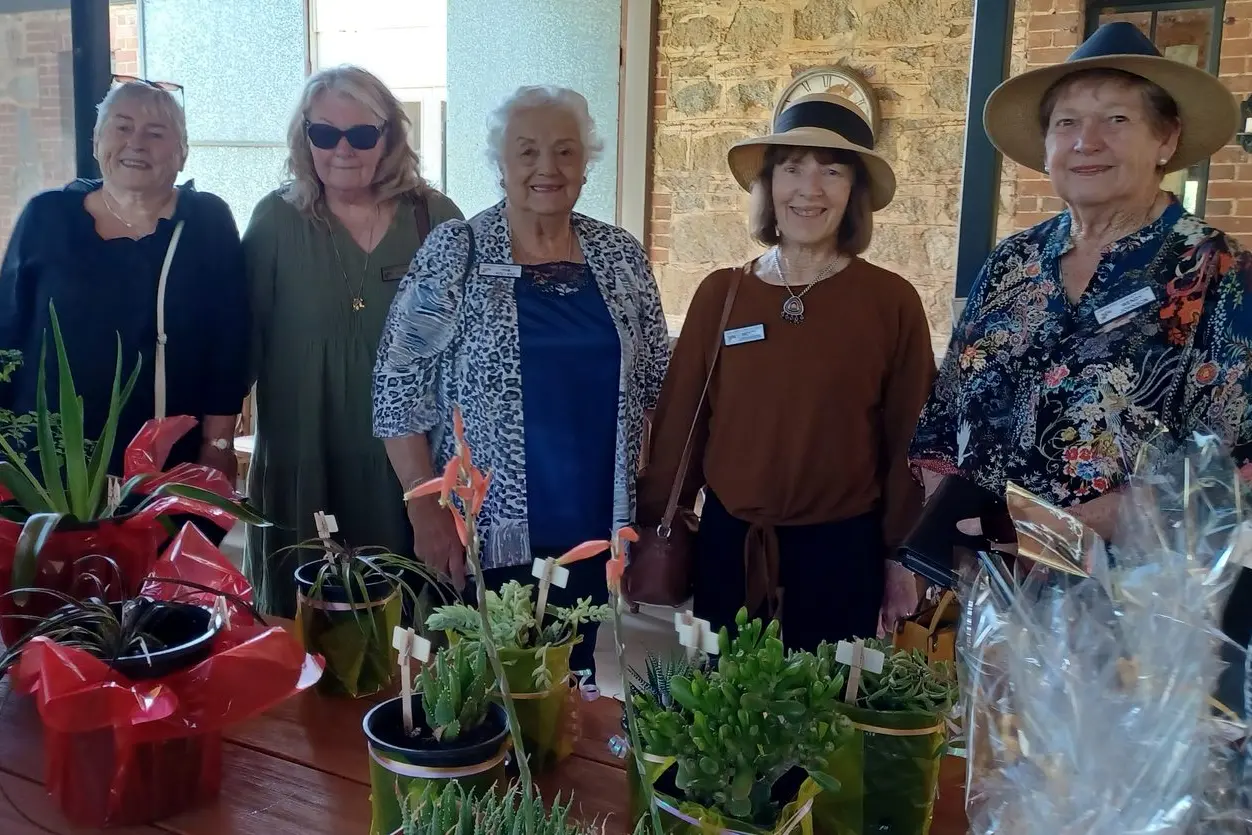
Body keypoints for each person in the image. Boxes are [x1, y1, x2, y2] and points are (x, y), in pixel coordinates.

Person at [909, 22, 1250, 543]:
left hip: (1129, 593)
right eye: (1066, 123)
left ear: (1167, 138)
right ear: (1047, 148)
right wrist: (935, 540)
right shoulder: (1011, 263)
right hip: (984, 577)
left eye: (1117, 119)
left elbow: (1237, 466)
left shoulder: (1221, 273)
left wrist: (1099, 522)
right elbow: (945, 411)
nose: (1087, 142)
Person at [373, 85, 669, 677]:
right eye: (527, 151)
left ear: (586, 164)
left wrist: (648, 511)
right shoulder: (458, 250)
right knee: (491, 687)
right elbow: (397, 386)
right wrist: (425, 512)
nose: (546, 168)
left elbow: (658, 382)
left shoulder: (620, 257)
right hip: (486, 532)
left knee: (570, 679)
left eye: (564, 152)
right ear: (500, 163)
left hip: (593, 526)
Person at [636, 93, 935, 652]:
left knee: (823, 725)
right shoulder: (721, 294)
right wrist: (651, 522)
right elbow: (682, 424)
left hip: (842, 556)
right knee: (725, 720)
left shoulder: (890, 302)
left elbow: (909, 442)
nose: (809, 189)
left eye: (831, 171)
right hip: (731, 549)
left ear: (854, 193)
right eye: (791, 169)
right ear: (769, 187)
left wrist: (903, 556)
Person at [244, 66, 463, 616]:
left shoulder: (433, 219)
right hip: (306, 454)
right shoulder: (275, 221)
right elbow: (238, 343)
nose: (343, 149)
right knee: (309, 623)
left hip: (410, 465)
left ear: (389, 138)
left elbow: (466, 352)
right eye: (325, 134)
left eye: (362, 134)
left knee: (413, 620)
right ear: (305, 138)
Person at [0, 78, 247, 482]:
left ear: (181, 154)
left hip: (167, 459)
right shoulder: (47, 217)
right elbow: (8, 330)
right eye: (122, 127)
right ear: (98, 142)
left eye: (156, 132)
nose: (137, 142)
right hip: (49, 460)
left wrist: (217, 446)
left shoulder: (206, 222)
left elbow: (229, 343)